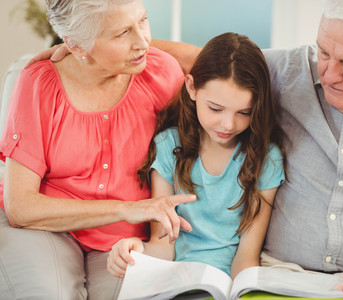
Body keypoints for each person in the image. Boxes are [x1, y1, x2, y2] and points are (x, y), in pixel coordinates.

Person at [20, 0, 343, 299]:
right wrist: (82, 52)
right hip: (286, 275)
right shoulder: (292, 70)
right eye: (323, 52)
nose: (329, 74)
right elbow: (214, 63)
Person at [0, 0, 197, 299]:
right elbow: (21, 208)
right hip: (47, 228)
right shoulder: (38, 83)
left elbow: (226, 66)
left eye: (142, 21)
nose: (142, 41)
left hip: (124, 240)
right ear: (76, 46)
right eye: (121, 33)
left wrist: (129, 42)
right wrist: (125, 208)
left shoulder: (160, 74)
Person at [106, 32, 285, 279]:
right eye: (215, 108)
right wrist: (136, 251)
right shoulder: (168, 146)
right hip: (175, 279)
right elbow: (162, 247)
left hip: (229, 282)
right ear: (191, 88)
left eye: (244, 112)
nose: (228, 124)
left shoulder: (266, 159)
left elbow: (247, 257)